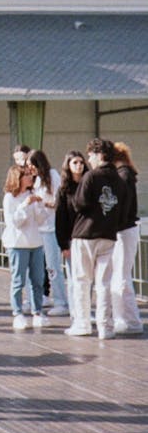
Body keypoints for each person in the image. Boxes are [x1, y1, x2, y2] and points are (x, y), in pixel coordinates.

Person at [70, 139, 127, 340]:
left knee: (82, 280)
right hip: (108, 234)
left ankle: (82, 323)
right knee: (104, 283)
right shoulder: (120, 180)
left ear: (99, 154)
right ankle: (105, 327)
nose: (89, 160)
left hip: (85, 234)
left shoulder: (91, 176)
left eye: (91, 156)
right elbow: (123, 211)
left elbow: (79, 203)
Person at [2, 164, 47, 331]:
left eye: (30, 175)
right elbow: (14, 222)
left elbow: (41, 220)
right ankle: (18, 313)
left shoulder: (32, 194)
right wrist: (25, 205)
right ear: (18, 178)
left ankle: (37, 312)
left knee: (38, 279)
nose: (30, 178)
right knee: (18, 279)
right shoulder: (10, 198)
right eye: (26, 175)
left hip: (35, 242)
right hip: (17, 243)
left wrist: (40, 205)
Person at [27, 149, 69, 318]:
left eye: (32, 166)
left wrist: (42, 202)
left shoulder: (52, 176)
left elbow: (59, 201)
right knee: (41, 267)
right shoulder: (37, 181)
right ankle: (43, 297)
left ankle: (61, 301)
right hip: (40, 227)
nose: (31, 170)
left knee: (53, 266)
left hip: (51, 227)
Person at [111, 142, 143, 335]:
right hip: (127, 229)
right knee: (123, 277)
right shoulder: (127, 174)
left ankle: (128, 320)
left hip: (123, 230)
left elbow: (123, 205)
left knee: (121, 278)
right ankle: (129, 320)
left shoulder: (122, 176)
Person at [55, 150, 87, 330]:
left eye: (81, 162)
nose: (79, 165)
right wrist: (63, 244)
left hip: (88, 237)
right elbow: (60, 218)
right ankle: (76, 312)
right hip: (71, 239)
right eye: (75, 162)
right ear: (68, 165)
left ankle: (85, 310)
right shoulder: (63, 190)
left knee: (87, 278)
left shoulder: (88, 185)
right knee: (74, 279)